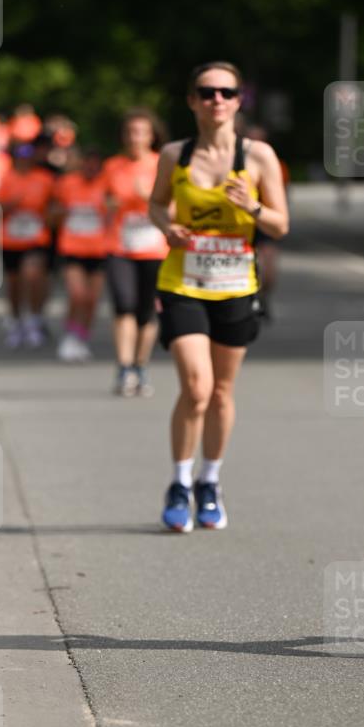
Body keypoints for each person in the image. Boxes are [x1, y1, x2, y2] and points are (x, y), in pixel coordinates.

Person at [149, 62, 289, 531]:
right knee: (196, 387)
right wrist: (168, 228)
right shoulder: (175, 154)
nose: (216, 100)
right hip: (182, 282)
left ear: (238, 100)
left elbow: (279, 225)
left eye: (225, 92)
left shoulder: (258, 157)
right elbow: (155, 203)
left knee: (223, 391)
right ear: (192, 100)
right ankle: (179, 481)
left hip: (234, 286)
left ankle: (210, 481)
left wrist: (250, 205)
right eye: (206, 92)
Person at [103, 109, 169, 396]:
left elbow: (177, 209)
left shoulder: (163, 165)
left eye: (141, 131)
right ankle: (124, 366)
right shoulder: (112, 166)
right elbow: (103, 201)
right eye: (130, 132)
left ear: (152, 135)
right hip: (120, 246)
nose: (135, 137)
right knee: (123, 305)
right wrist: (109, 205)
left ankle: (141, 365)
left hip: (155, 248)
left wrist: (148, 198)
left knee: (147, 312)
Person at [0, 144, 55, 349]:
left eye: (27, 158)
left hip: (36, 238)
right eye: (20, 157)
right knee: (14, 282)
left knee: (32, 275)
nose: (24, 161)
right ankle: (16, 321)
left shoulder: (44, 179)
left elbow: (55, 204)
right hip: (11, 238)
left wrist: (49, 216)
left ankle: (35, 320)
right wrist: (11, 204)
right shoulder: (6, 178)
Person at [52, 148, 108, 361]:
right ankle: (69, 335)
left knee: (92, 300)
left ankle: (82, 337)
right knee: (77, 295)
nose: (91, 168)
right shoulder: (67, 183)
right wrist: (60, 213)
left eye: (95, 164)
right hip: (72, 248)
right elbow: (53, 213)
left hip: (100, 249)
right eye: (87, 163)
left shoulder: (106, 184)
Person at [244, 124, 290, 320]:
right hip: (243, 221)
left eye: (260, 140)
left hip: (265, 217)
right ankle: (248, 299)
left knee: (269, 268)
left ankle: (264, 296)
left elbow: (284, 195)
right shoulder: (234, 161)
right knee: (249, 264)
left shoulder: (276, 164)